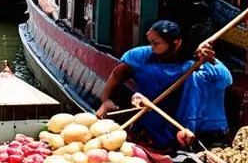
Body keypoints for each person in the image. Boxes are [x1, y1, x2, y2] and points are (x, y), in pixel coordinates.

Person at [96, 19, 232, 150]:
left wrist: (209, 60)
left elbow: (225, 80)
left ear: (176, 43)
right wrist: (105, 99)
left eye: (157, 43)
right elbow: (117, 75)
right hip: (149, 121)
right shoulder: (141, 56)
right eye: (151, 43)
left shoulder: (193, 67)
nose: (152, 48)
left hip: (178, 126)